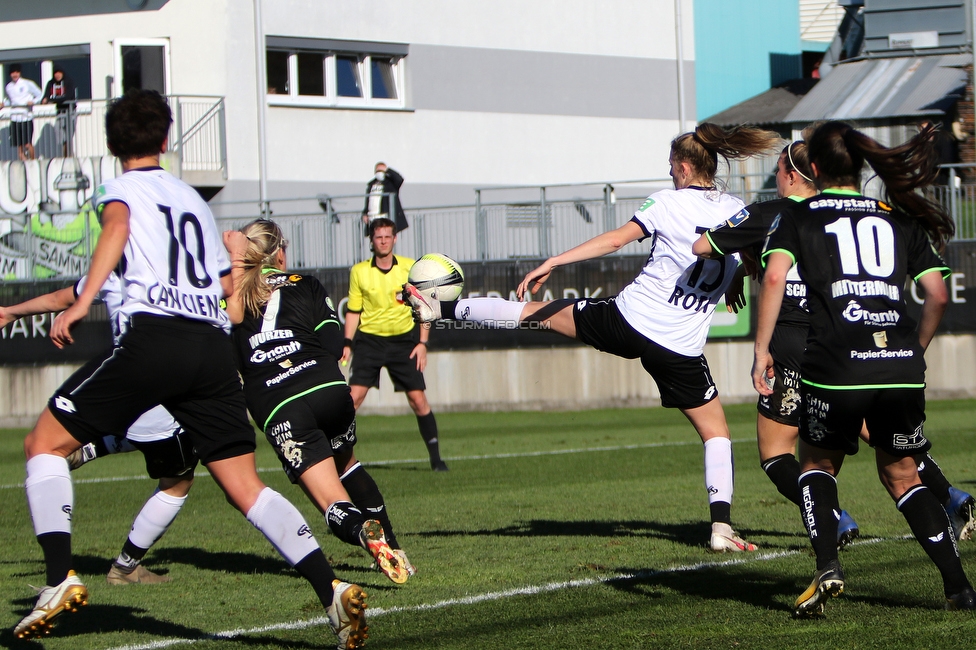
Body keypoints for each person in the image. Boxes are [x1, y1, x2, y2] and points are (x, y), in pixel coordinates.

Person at [13, 90, 368, 650]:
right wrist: (237, 260)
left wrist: (81, 306)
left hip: (157, 338)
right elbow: (220, 286)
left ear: (110, 144)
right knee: (246, 486)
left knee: (42, 444)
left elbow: (116, 231)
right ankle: (332, 589)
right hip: (210, 349)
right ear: (165, 139)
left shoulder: (121, 190)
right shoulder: (192, 201)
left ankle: (59, 579)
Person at [405, 123, 782, 551]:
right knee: (716, 435)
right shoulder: (738, 210)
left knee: (538, 314)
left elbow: (614, 241)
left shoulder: (667, 202)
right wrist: (731, 280)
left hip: (629, 321)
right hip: (679, 348)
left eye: (670, 168)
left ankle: (441, 308)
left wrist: (555, 260)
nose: (670, 176)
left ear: (681, 166)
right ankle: (721, 529)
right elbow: (746, 260)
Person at [696, 140, 976, 546]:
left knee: (776, 455)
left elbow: (704, 246)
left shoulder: (771, 214)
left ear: (793, 174)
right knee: (881, 436)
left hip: (792, 347)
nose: (775, 178)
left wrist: (744, 255)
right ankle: (952, 497)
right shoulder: (844, 215)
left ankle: (834, 518)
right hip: (842, 346)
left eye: (777, 170)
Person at [752, 120, 976, 615]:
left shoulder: (799, 215)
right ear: (857, 165)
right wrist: (913, 349)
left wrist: (761, 348)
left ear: (813, 168)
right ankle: (959, 588)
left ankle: (828, 566)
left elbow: (773, 277)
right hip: (898, 363)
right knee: (902, 475)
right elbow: (937, 292)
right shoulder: (897, 217)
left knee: (814, 464)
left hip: (835, 361)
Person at [223, 218, 413, 584]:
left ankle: (360, 530)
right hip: (326, 389)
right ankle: (393, 546)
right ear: (280, 252)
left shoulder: (231, 295)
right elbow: (331, 344)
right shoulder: (305, 284)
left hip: (279, 404)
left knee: (330, 499)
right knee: (349, 465)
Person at [0, 273, 196, 586]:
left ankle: (91, 447)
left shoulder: (113, 270)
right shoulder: (169, 272)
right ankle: (125, 567)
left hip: (116, 384)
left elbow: (60, 298)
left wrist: (11, 312)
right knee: (179, 480)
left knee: (59, 439)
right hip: (159, 389)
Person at [342, 218, 447, 472]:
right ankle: (339, 456)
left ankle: (436, 459)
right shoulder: (359, 271)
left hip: (403, 342)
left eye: (388, 236)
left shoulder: (410, 268)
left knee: (418, 399)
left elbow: (426, 307)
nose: (383, 241)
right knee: (352, 399)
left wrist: (423, 343)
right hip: (370, 342)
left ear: (395, 238)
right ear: (371, 240)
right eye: (378, 237)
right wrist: (347, 342)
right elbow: (353, 311)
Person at [4, 64, 43, 160]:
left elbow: (40, 94)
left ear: (19, 73)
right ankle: (24, 164)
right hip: (15, 118)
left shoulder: (27, 83)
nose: (14, 75)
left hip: (26, 117)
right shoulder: (8, 87)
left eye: (16, 72)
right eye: (13, 73)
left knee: (27, 144)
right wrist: (3, 103)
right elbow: (11, 100)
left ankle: (33, 162)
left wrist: (33, 102)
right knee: (19, 146)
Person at [361, 162, 408, 234]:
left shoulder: (390, 183)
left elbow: (399, 179)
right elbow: (368, 201)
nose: (379, 173)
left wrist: (388, 170)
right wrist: (365, 213)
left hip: (384, 216)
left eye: (382, 171)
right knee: (375, 237)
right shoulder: (371, 184)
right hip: (372, 217)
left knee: (385, 236)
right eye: (378, 171)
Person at [41, 67, 77, 157]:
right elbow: (45, 97)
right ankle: (68, 155)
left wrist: (52, 100)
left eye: (59, 73)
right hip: (60, 112)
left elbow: (67, 97)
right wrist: (46, 100)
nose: (57, 75)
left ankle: (69, 156)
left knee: (68, 136)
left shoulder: (69, 82)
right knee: (60, 135)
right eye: (55, 73)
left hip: (70, 111)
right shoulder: (51, 83)